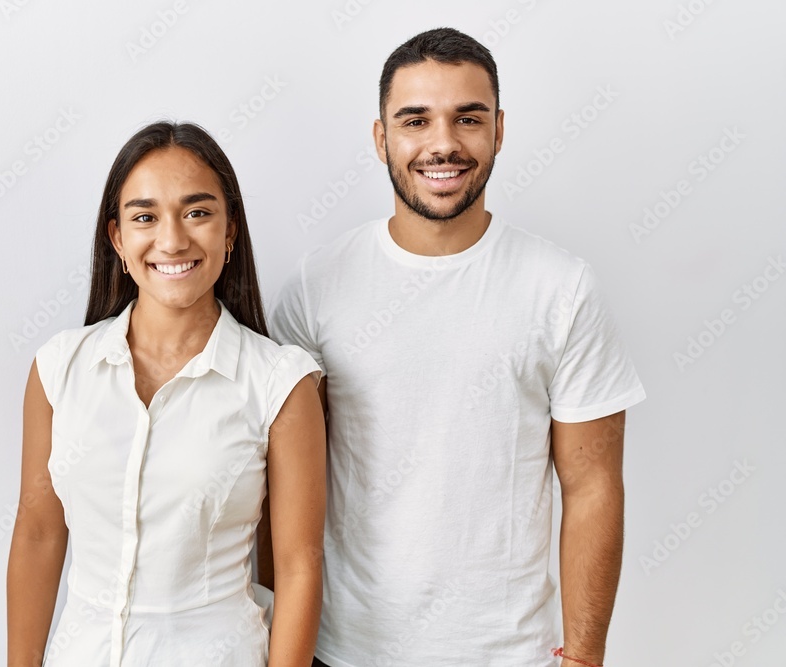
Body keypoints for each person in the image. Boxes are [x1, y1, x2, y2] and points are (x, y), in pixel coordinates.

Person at [267, 28, 646, 667]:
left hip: (511, 654)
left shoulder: (563, 288)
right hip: (342, 650)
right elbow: (279, 486)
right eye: (416, 120)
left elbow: (593, 486)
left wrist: (583, 657)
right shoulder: (315, 287)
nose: (443, 143)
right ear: (381, 137)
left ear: (498, 130)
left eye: (467, 119)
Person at [7, 121, 326, 667]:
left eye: (198, 212)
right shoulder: (59, 368)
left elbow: (299, 564)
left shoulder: (280, 383)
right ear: (118, 238)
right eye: (145, 217)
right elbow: (38, 533)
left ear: (229, 231)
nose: (173, 239)